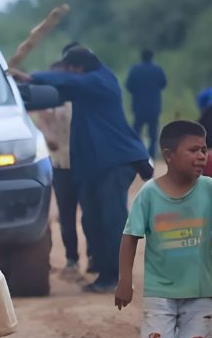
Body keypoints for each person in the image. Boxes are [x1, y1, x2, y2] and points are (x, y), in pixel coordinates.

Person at [13, 46, 150, 293]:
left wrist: (30, 76)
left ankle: (114, 276)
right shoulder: (85, 87)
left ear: (78, 69)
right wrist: (13, 87)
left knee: (111, 220)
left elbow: (62, 81)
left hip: (114, 161)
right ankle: (104, 273)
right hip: (95, 165)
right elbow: (56, 90)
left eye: (68, 70)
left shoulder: (100, 81)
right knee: (94, 220)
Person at [116, 120, 212, 338]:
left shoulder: (209, 191)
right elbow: (130, 237)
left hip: (202, 292)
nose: (202, 156)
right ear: (169, 155)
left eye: (204, 149)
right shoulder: (149, 194)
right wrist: (124, 282)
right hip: (160, 293)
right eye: (194, 150)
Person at [30, 62, 91, 278]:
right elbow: (42, 122)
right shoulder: (50, 103)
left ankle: (93, 256)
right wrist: (48, 136)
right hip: (59, 163)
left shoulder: (81, 99)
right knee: (66, 214)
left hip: (84, 163)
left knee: (89, 213)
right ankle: (72, 259)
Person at [126, 49, 168, 159]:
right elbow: (163, 84)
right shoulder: (157, 69)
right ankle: (151, 155)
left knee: (136, 131)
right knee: (153, 133)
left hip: (138, 105)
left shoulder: (135, 69)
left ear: (142, 56)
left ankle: (135, 153)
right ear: (152, 56)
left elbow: (128, 85)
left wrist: (137, 91)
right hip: (154, 106)